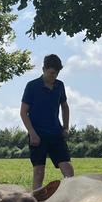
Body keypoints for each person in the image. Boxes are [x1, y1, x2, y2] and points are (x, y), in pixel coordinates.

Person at [20, 54, 75, 189]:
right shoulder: (32, 86)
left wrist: (66, 128)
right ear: (44, 69)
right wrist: (32, 133)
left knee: (68, 169)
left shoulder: (59, 85)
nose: (54, 76)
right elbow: (23, 112)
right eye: (51, 73)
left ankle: (69, 198)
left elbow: (65, 107)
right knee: (39, 171)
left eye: (56, 73)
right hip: (37, 135)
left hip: (56, 133)